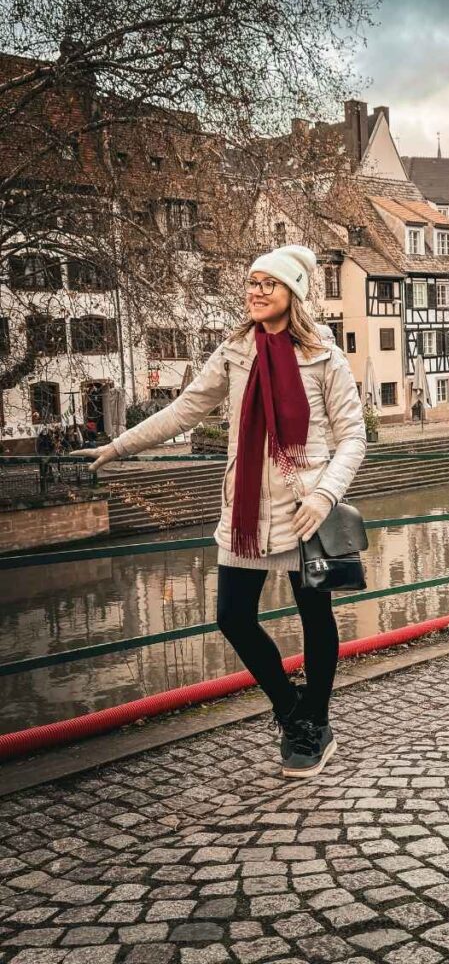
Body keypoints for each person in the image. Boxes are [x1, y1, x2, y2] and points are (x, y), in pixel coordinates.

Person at [71, 245, 366, 780]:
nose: (255, 291)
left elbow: (353, 437)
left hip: (307, 513)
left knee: (315, 618)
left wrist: (325, 496)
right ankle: (288, 708)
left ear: (292, 293)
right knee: (232, 617)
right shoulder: (235, 352)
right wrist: (119, 447)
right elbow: (185, 408)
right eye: (251, 281)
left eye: (267, 283)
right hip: (246, 514)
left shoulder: (325, 355)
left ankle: (315, 725)